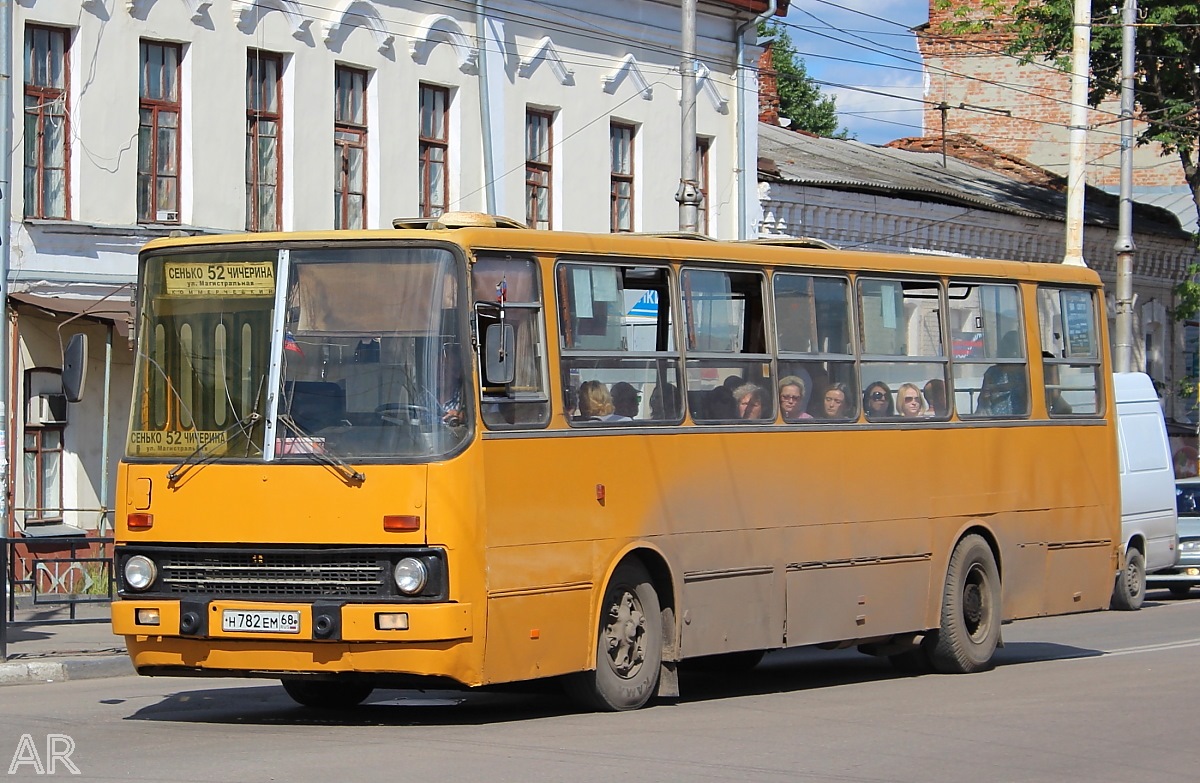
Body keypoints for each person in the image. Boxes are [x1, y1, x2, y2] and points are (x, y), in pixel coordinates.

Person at [977, 331, 1028, 416]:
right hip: (995, 419)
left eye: (1013, 348)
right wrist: (986, 396)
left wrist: (996, 388)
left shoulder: (1024, 371)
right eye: (1007, 347)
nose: (1011, 352)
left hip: (1020, 418)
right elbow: (982, 399)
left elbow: (1027, 396)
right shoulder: (992, 371)